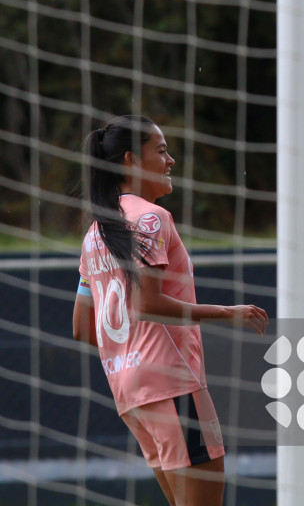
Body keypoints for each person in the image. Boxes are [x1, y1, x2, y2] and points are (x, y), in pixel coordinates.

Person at [72, 115, 268, 506]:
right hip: (171, 382)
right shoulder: (150, 217)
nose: (171, 160)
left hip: (129, 390)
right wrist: (228, 313)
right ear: (130, 159)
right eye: (161, 151)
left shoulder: (95, 233)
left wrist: (132, 348)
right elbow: (149, 304)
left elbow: (83, 329)